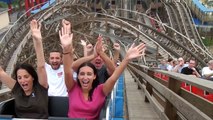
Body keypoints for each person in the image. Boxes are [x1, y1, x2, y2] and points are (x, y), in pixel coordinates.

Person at [59, 22, 146, 119]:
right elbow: (68, 71)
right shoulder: (72, 87)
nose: (85, 77)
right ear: (78, 76)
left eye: (89, 74)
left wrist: (126, 59)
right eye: (82, 74)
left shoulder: (100, 90)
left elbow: (113, 77)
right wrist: (66, 49)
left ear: (94, 76)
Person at [0, 19, 48, 118]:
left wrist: (38, 42)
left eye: (26, 76)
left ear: (32, 77)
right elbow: (1, 73)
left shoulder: (41, 87)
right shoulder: (17, 88)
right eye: (19, 77)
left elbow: (41, 66)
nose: (22, 80)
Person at [31, 19, 75, 96]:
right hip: (49, 101)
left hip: (64, 100)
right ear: (48, 59)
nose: (54, 60)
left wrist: (68, 35)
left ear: (61, 59)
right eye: (52, 58)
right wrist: (37, 40)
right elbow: (40, 62)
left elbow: (69, 57)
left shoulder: (64, 69)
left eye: (57, 58)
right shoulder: (46, 68)